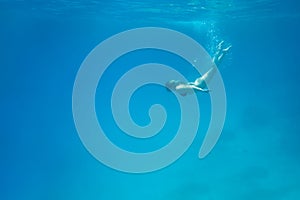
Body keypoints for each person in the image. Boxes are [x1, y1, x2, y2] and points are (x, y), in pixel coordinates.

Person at [165, 41, 231, 96]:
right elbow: (189, 87)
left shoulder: (178, 88)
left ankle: (220, 49)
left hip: (200, 84)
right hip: (198, 82)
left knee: (213, 68)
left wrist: (202, 90)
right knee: (213, 68)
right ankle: (222, 51)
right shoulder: (178, 88)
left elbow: (192, 87)